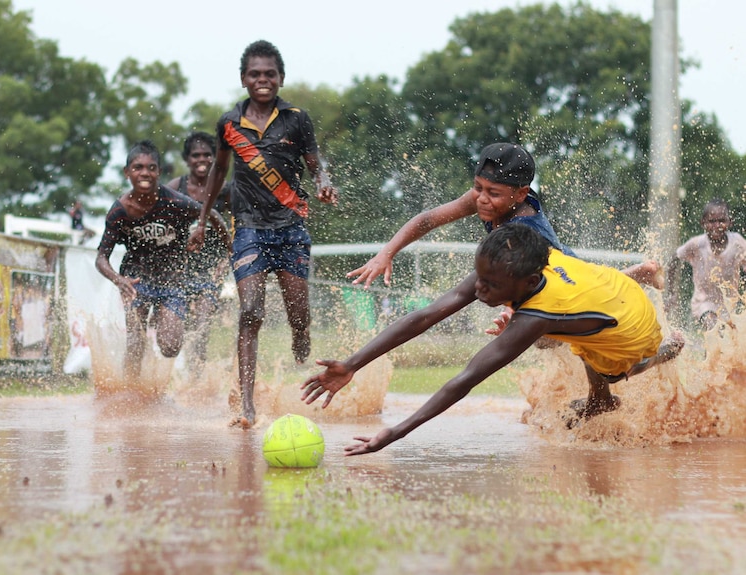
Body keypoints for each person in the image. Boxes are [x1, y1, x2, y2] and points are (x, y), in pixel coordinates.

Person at [301, 223, 684, 455]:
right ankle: (636, 275)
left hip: (630, 330)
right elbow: (426, 315)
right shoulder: (515, 262)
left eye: (492, 285)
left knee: (608, 369)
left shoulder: (539, 312)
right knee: (551, 335)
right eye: (478, 278)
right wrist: (352, 364)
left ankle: (662, 354)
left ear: (529, 282)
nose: (479, 291)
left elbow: (466, 378)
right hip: (608, 288)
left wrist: (393, 433)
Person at [187, 40, 338, 428]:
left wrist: (323, 181)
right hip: (249, 229)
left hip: (291, 228)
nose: (262, 79)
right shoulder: (229, 123)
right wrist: (203, 219)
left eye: (270, 73)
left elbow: (315, 161)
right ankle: (247, 405)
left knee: (299, 314)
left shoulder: (297, 119)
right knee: (250, 313)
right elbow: (219, 172)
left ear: (281, 78)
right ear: (243, 79)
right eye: (255, 74)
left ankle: (299, 334)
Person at [347, 142, 662, 291]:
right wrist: (385, 254)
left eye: (493, 193)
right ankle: (640, 273)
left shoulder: (525, 231)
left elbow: (538, 281)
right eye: (478, 187)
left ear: (521, 194)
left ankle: (640, 274)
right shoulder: (485, 197)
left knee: (589, 296)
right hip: (547, 267)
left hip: (559, 271)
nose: (482, 199)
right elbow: (428, 219)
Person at [96, 140, 230, 380]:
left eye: (151, 168)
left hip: (172, 281)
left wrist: (226, 246)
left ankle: (167, 319)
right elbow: (101, 258)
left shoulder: (176, 201)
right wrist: (119, 279)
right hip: (136, 280)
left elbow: (213, 214)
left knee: (170, 347)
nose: (144, 173)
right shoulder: (120, 210)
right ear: (127, 173)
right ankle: (131, 395)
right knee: (136, 342)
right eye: (138, 168)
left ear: (158, 172)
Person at [167, 131, 232, 379]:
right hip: (178, 268)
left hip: (210, 268)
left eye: (207, 155)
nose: (202, 160)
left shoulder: (224, 190)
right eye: (196, 155)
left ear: (215, 158)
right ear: (187, 159)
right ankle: (170, 378)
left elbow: (237, 228)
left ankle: (196, 380)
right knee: (174, 330)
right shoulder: (175, 188)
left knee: (202, 326)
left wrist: (226, 262)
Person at [665, 198, 746, 330]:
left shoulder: (737, 243)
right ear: (703, 223)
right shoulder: (697, 244)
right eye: (712, 221)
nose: (717, 226)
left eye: (722, 221)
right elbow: (675, 258)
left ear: (730, 222)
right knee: (712, 326)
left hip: (728, 305)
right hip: (703, 303)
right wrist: (671, 293)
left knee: (725, 343)